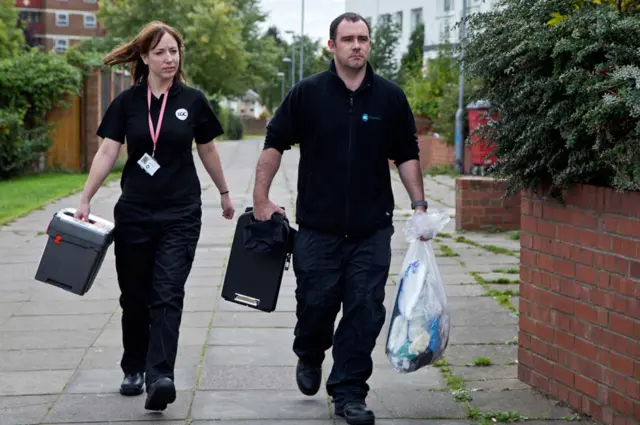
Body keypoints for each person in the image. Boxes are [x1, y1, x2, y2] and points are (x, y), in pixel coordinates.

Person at [252, 12, 428, 425]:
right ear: (331, 45)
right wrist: (261, 198)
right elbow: (274, 143)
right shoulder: (307, 94)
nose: (356, 46)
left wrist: (419, 206)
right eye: (347, 39)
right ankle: (310, 352)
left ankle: (349, 392)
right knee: (316, 303)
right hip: (317, 228)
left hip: (371, 228)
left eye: (362, 38)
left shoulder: (390, 97)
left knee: (365, 308)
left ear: (370, 43)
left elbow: (407, 153)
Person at [74, 21, 235, 411]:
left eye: (174, 51)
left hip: (181, 212)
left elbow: (208, 150)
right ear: (144, 57)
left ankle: (161, 375)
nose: (169, 58)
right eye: (160, 52)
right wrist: (86, 198)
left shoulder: (193, 100)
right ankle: (134, 365)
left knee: (168, 293)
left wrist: (225, 193)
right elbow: (108, 152)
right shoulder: (127, 103)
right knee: (135, 296)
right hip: (135, 212)